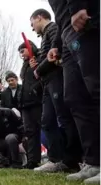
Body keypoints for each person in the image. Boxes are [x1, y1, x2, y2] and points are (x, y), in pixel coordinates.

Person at [47, 1, 100, 183]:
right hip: (66, 32)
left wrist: (79, 5)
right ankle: (94, 161)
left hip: (83, 17)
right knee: (74, 97)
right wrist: (56, 43)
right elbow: (59, 13)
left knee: (97, 87)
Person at [30, 8, 82, 173]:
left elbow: (54, 55)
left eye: (32, 23)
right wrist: (37, 63)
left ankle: (72, 158)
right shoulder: (46, 35)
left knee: (64, 118)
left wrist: (38, 70)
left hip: (56, 79)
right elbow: (46, 55)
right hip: (48, 82)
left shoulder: (53, 29)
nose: (32, 27)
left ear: (39, 18)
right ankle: (56, 158)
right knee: (47, 120)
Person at [18, 41, 43, 169]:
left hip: (37, 101)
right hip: (25, 103)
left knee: (44, 128)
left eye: (23, 51)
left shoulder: (38, 59)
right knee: (30, 132)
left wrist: (36, 68)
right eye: (20, 52)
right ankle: (33, 160)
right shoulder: (25, 65)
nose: (21, 54)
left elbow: (42, 77)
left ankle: (57, 156)